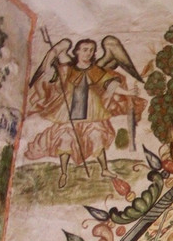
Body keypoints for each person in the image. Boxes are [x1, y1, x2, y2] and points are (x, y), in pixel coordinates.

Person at [26, 36, 145, 188]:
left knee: (97, 136)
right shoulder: (68, 68)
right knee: (65, 138)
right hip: (69, 110)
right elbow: (52, 65)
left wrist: (128, 93)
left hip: (91, 111)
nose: (88, 53)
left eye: (91, 50)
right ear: (77, 51)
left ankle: (104, 169)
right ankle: (64, 172)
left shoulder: (95, 70)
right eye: (85, 50)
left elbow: (109, 84)